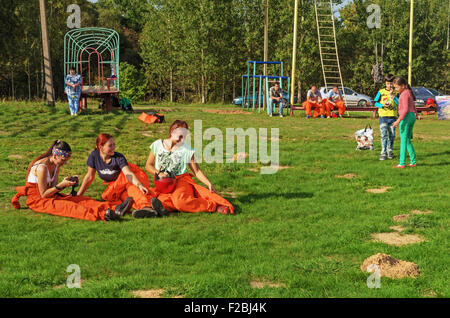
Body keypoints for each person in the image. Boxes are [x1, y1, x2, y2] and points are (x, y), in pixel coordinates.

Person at [11, 140, 132, 221]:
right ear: (55, 155)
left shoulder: (56, 165)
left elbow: (53, 188)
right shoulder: (42, 167)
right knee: (69, 206)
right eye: (63, 159)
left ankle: (115, 208)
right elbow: (43, 195)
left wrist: (65, 184)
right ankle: (104, 214)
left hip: (49, 195)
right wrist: (61, 186)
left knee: (81, 199)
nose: (64, 163)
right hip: (37, 200)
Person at [145, 120, 234, 214]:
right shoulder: (157, 145)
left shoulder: (187, 150)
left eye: (184, 137)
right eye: (179, 136)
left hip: (181, 180)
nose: (182, 139)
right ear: (172, 132)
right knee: (154, 198)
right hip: (164, 182)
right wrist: (159, 173)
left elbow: (197, 171)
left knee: (180, 201)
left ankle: (213, 206)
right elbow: (148, 165)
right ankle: (159, 209)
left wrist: (208, 183)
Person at [77, 133, 167, 218]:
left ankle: (147, 207)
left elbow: (128, 174)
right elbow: (89, 176)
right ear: (101, 147)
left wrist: (139, 185)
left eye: (114, 144)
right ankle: (153, 208)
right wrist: (78, 196)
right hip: (117, 186)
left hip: (129, 179)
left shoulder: (118, 157)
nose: (113, 148)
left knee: (134, 191)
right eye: (110, 145)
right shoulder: (94, 156)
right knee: (127, 198)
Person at [392, 77, 417, 168]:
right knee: (407, 140)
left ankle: (402, 163)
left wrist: (398, 121)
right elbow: (412, 106)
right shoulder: (408, 92)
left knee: (403, 141)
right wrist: (417, 115)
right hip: (411, 117)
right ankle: (413, 161)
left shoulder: (404, 94)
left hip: (405, 118)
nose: (396, 89)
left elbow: (405, 109)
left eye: (397, 87)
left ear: (403, 86)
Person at [373, 74, 399, 160]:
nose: (390, 85)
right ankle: (383, 152)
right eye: (388, 83)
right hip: (383, 117)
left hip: (392, 117)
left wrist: (393, 96)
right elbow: (375, 102)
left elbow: (399, 103)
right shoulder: (381, 92)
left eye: (391, 83)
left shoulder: (396, 92)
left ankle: (390, 151)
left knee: (391, 135)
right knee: (383, 135)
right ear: (385, 83)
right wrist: (382, 105)